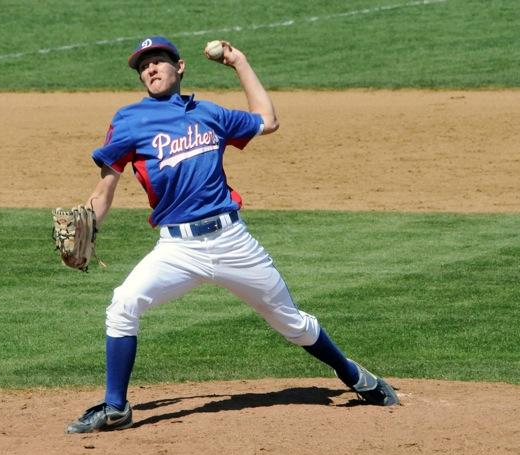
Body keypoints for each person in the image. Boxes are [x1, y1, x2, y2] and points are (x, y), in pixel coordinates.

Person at [66, 36, 399, 434]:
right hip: (177, 249)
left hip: (232, 242)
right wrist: (90, 225)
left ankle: (353, 375)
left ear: (180, 67)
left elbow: (267, 120)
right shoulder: (128, 121)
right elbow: (105, 188)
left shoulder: (210, 114)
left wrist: (239, 61)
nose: (151, 69)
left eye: (158, 61)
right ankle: (116, 408)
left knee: (290, 323)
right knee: (123, 304)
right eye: (143, 66)